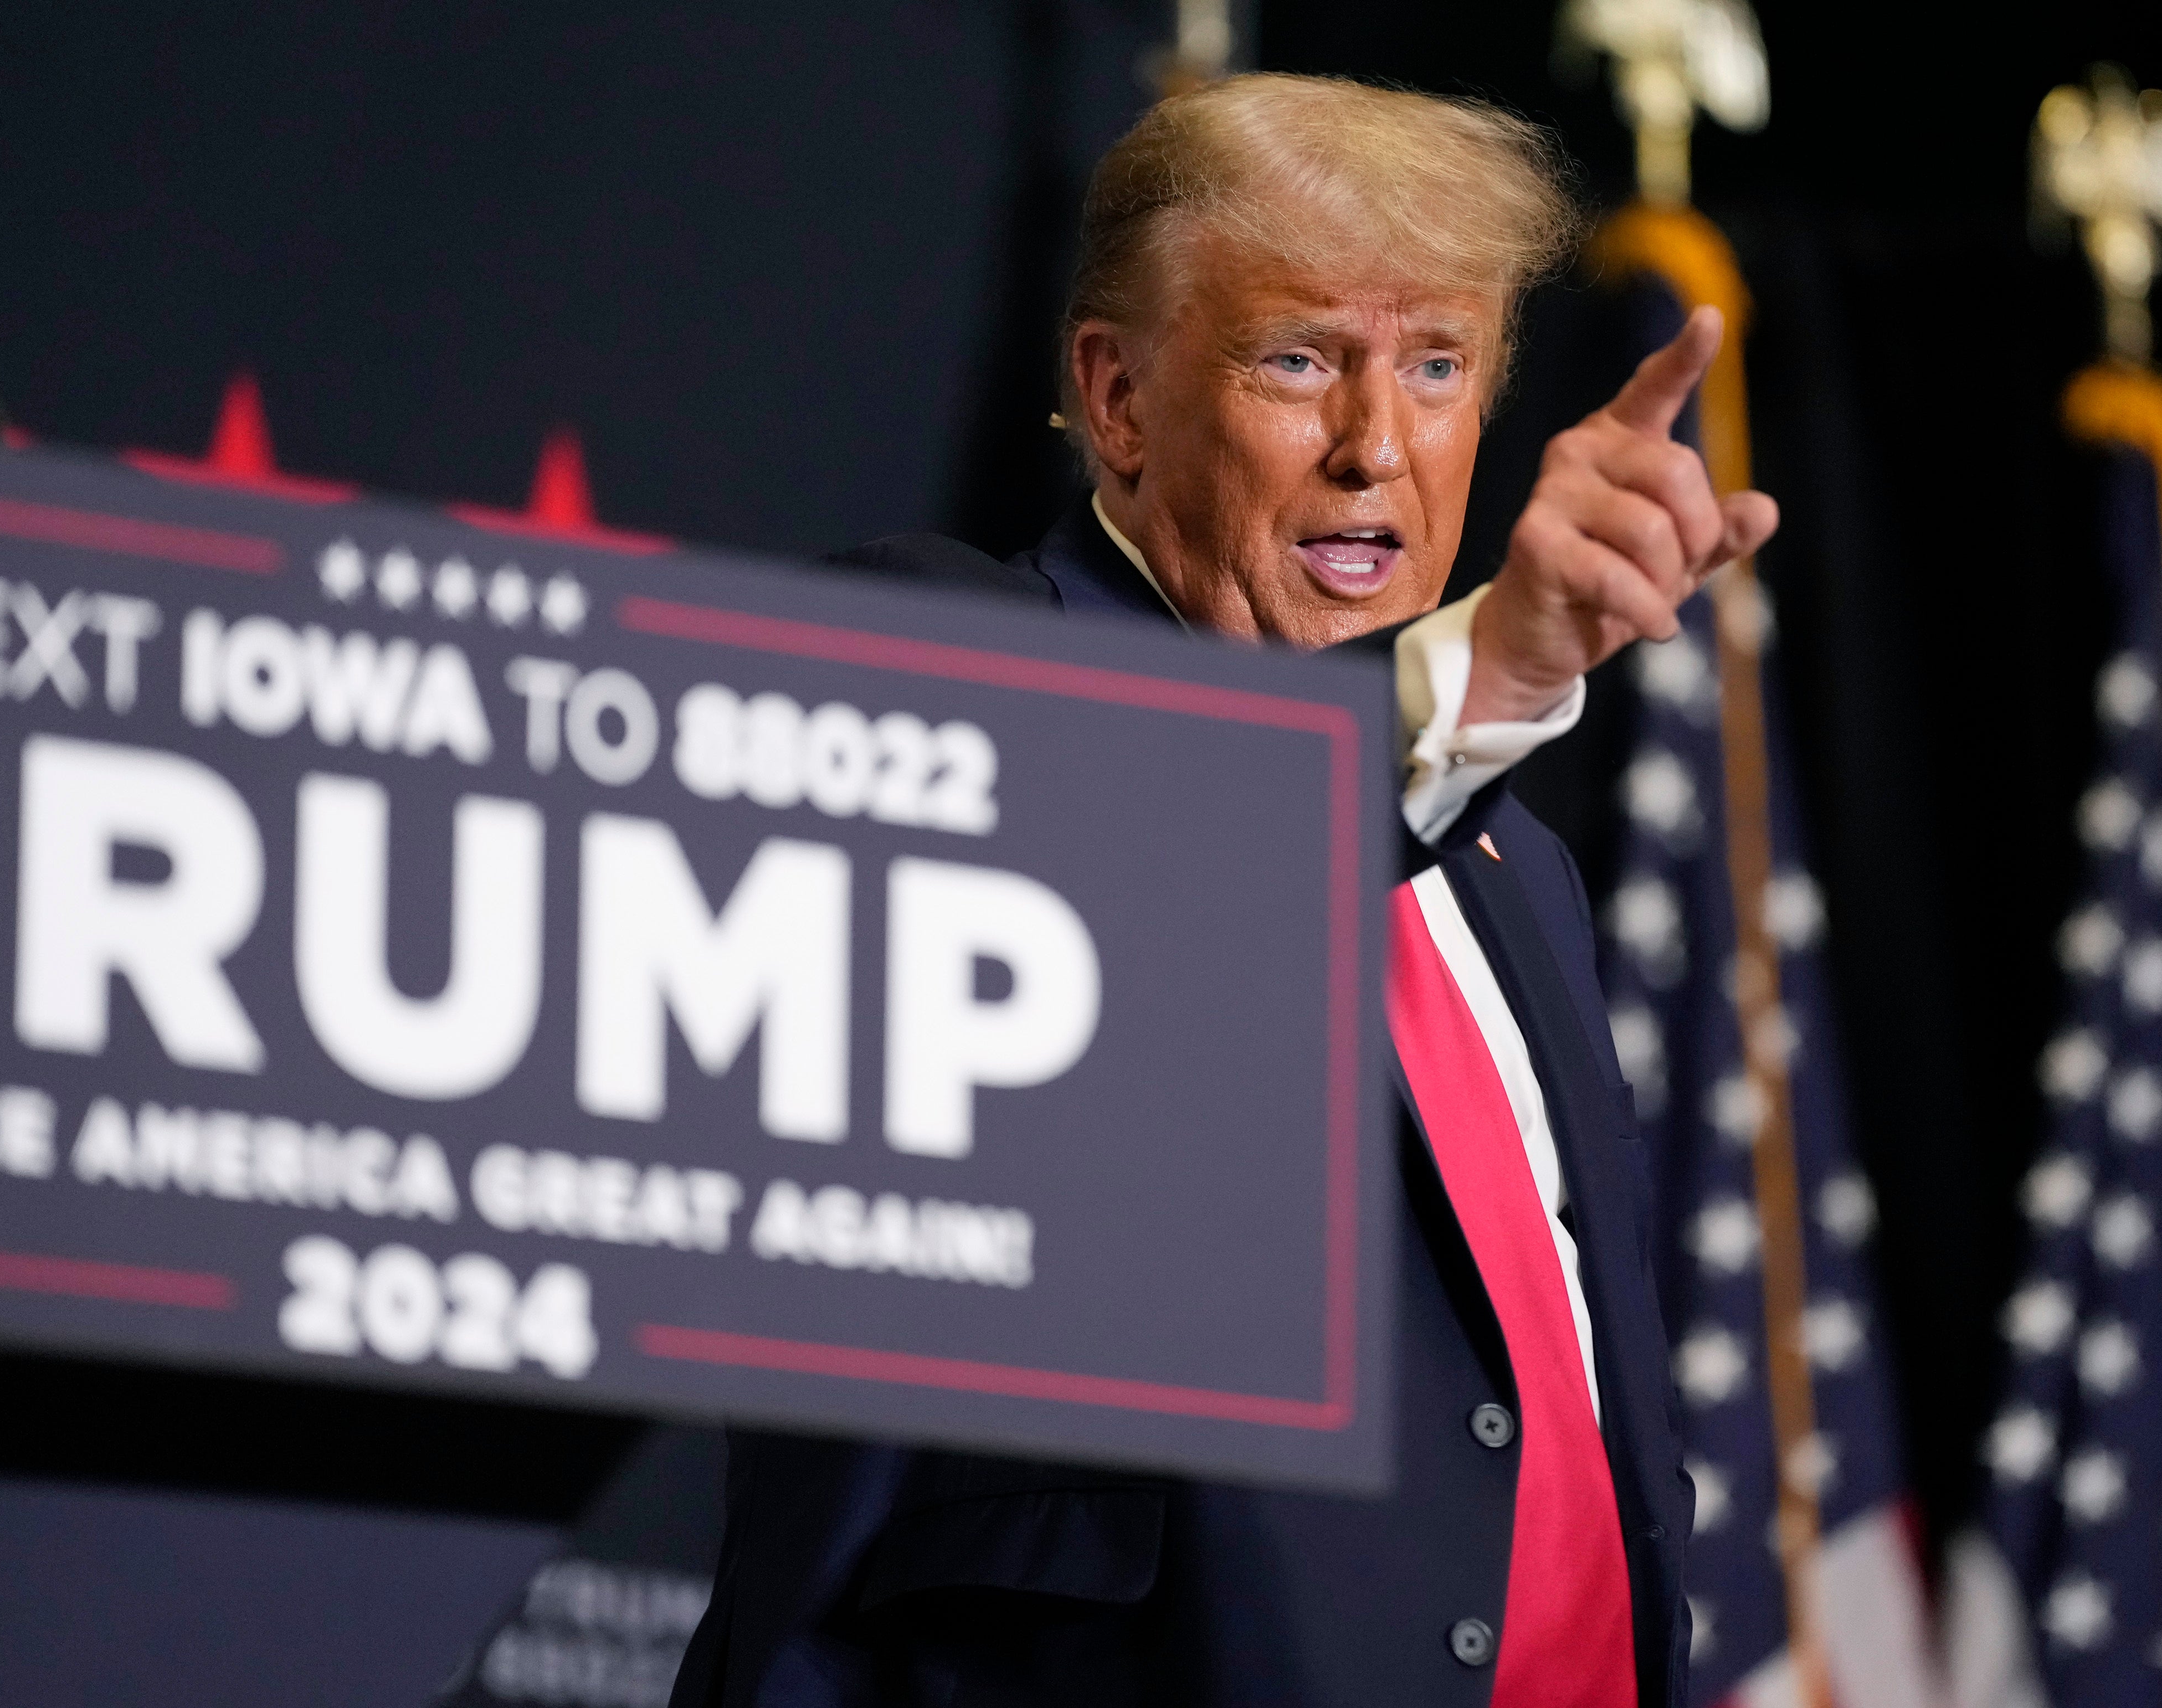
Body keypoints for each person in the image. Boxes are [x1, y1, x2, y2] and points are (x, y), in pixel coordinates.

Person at [669, 73, 1778, 1708]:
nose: (1373, 448)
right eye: (1296, 361)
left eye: (1437, 366)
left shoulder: (1508, 859)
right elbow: (1155, 856)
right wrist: (1478, 674)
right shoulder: (942, 671)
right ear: (1116, 401)